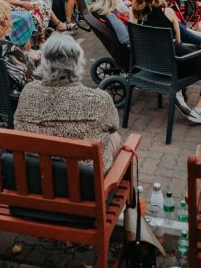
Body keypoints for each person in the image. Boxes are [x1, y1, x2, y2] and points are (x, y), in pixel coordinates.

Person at [14, 34, 122, 172]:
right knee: (115, 137)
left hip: (36, 180)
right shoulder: (99, 99)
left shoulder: (28, 92)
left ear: (45, 62)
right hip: (84, 186)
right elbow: (114, 126)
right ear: (78, 62)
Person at [131, 0, 201, 125]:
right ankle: (198, 110)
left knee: (198, 54)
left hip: (151, 65)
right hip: (174, 66)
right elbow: (178, 37)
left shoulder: (134, 15)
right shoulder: (167, 11)